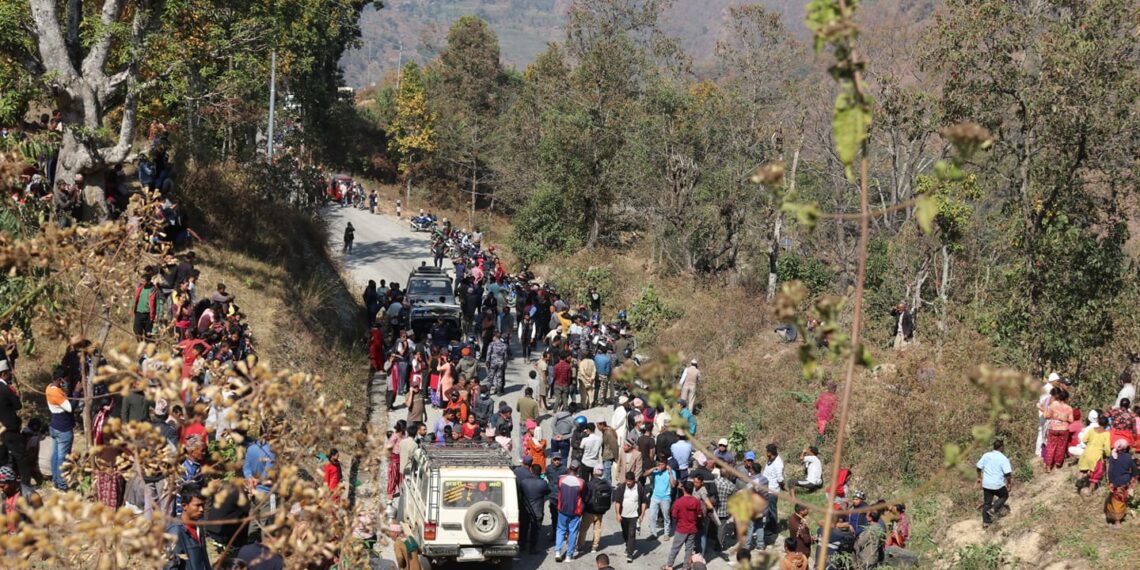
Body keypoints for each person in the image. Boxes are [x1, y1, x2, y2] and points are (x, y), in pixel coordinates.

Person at [0, 360, 32, 496]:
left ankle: (4, 482)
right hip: (10, 428)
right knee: (21, 456)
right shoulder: (6, 389)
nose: (10, 375)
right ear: (3, 374)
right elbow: (18, 405)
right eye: (8, 374)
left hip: (1, 429)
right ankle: (25, 484)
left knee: (3, 457)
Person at [165, 486, 211, 569]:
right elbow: (170, 566)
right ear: (184, 506)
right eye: (197, 505)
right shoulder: (175, 532)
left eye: (203, 505)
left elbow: (204, 558)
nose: (201, 509)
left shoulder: (198, 527)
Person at [45, 366, 75, 491]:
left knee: (56, 455)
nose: (66, 382)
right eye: (65, 379)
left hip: (55, 426)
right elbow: (70, 407)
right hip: (63, 429)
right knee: (62, 458)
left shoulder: (49, 387)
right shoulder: (56, 393)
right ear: (60, 379)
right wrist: (77, 392)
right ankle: (62, 485)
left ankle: (56, 482)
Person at [665, 480, 702, 570]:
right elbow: (699, 514)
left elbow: (674, 515)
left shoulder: (679, 502)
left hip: (681, 528)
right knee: (689, 549)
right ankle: (686, 566)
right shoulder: (696, 501)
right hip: (692, 528)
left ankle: (669, 565)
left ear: (684, 489)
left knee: (675, 548)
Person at [976, 439, 1012, 528]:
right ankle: (994, 509)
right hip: (997, 484)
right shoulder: (1003, 459)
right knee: (1004, 495)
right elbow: (1007, 474)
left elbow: (978, 467)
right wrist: (1009, 483)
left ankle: (985, 523)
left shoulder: (986, 455)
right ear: (1001, 447)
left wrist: (979, 477)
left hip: (987, 484)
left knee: (987, 502)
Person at [554, 465, 586, 562]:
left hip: (562, 509)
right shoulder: (581, 482)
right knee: (573, 532)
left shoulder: (561, 479)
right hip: (575, 511)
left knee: (560, 530)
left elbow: (559, 491)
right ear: (578, 469)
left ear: (569, 468)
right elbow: (583, 496)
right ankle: (569, 555)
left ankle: (558, 552)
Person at [579, 466, 613, 554]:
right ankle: (594, 547)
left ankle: (580, 545)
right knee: (597, 529)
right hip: (600, 511)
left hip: (589, 511)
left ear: (593, 473)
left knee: (583, 529)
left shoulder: (589, 484)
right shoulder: (606, 484)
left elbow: (585, 497)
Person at [612, 470, 644, 563]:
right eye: (627, 481)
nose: (628, 483)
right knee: (625, 533)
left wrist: (642, 515)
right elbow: (617, 502)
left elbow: (644, 502)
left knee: (631, 534)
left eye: (630, 481)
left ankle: (630, 554)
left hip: (634, 515)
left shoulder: (639, 487)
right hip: (623, 515)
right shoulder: (621, 487)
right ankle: (628, 544)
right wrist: (618, 514)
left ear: (634, 480)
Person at [1105, 440, 1136, 528]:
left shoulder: (1113, 457)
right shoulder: (1128, 457)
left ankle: (1117, 523)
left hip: (1116, 481)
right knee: (1121, 500)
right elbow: (1133, 470)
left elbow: (1110, 471)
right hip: (1125, 481)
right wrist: (1132, 480)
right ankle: (1115, 518)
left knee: (1116, 501)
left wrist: (1110, 481)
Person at [1042, 387, 1073, 471]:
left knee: (1051, 446)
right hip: (1064, 429)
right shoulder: (1069, 408)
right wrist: (1064, 418)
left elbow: (1047, 416)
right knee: (1061, 446)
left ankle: (1048, 466)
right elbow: (1071, 420)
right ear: (1066, 398)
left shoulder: (1052, 406)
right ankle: (1058, 463)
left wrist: (1045, 410)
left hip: (1053, 428)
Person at [644, 458, 676, 539]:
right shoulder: (656, 472)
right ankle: (653, 533)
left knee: (666, 516)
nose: (660, 466)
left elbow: (673, 485)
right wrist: (654, 468)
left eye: (662, 464)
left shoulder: (671, 472)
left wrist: (671, 473)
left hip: (665, 498)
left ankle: (666, 533)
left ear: (666, 465)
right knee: (652, 516)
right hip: (655, 497)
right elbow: (644, 474)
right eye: (659, 464)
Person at [761, 443, 784, 547]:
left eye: (767, 451)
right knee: (767, 510)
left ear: (770, 452)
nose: (766, 453)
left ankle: (773, 529)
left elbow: (780, 478)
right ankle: (768, 527)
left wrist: (782, 486)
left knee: (772, 510)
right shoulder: (770, 460)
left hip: (773, 490)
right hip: (766, 489)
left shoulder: (778, 463)